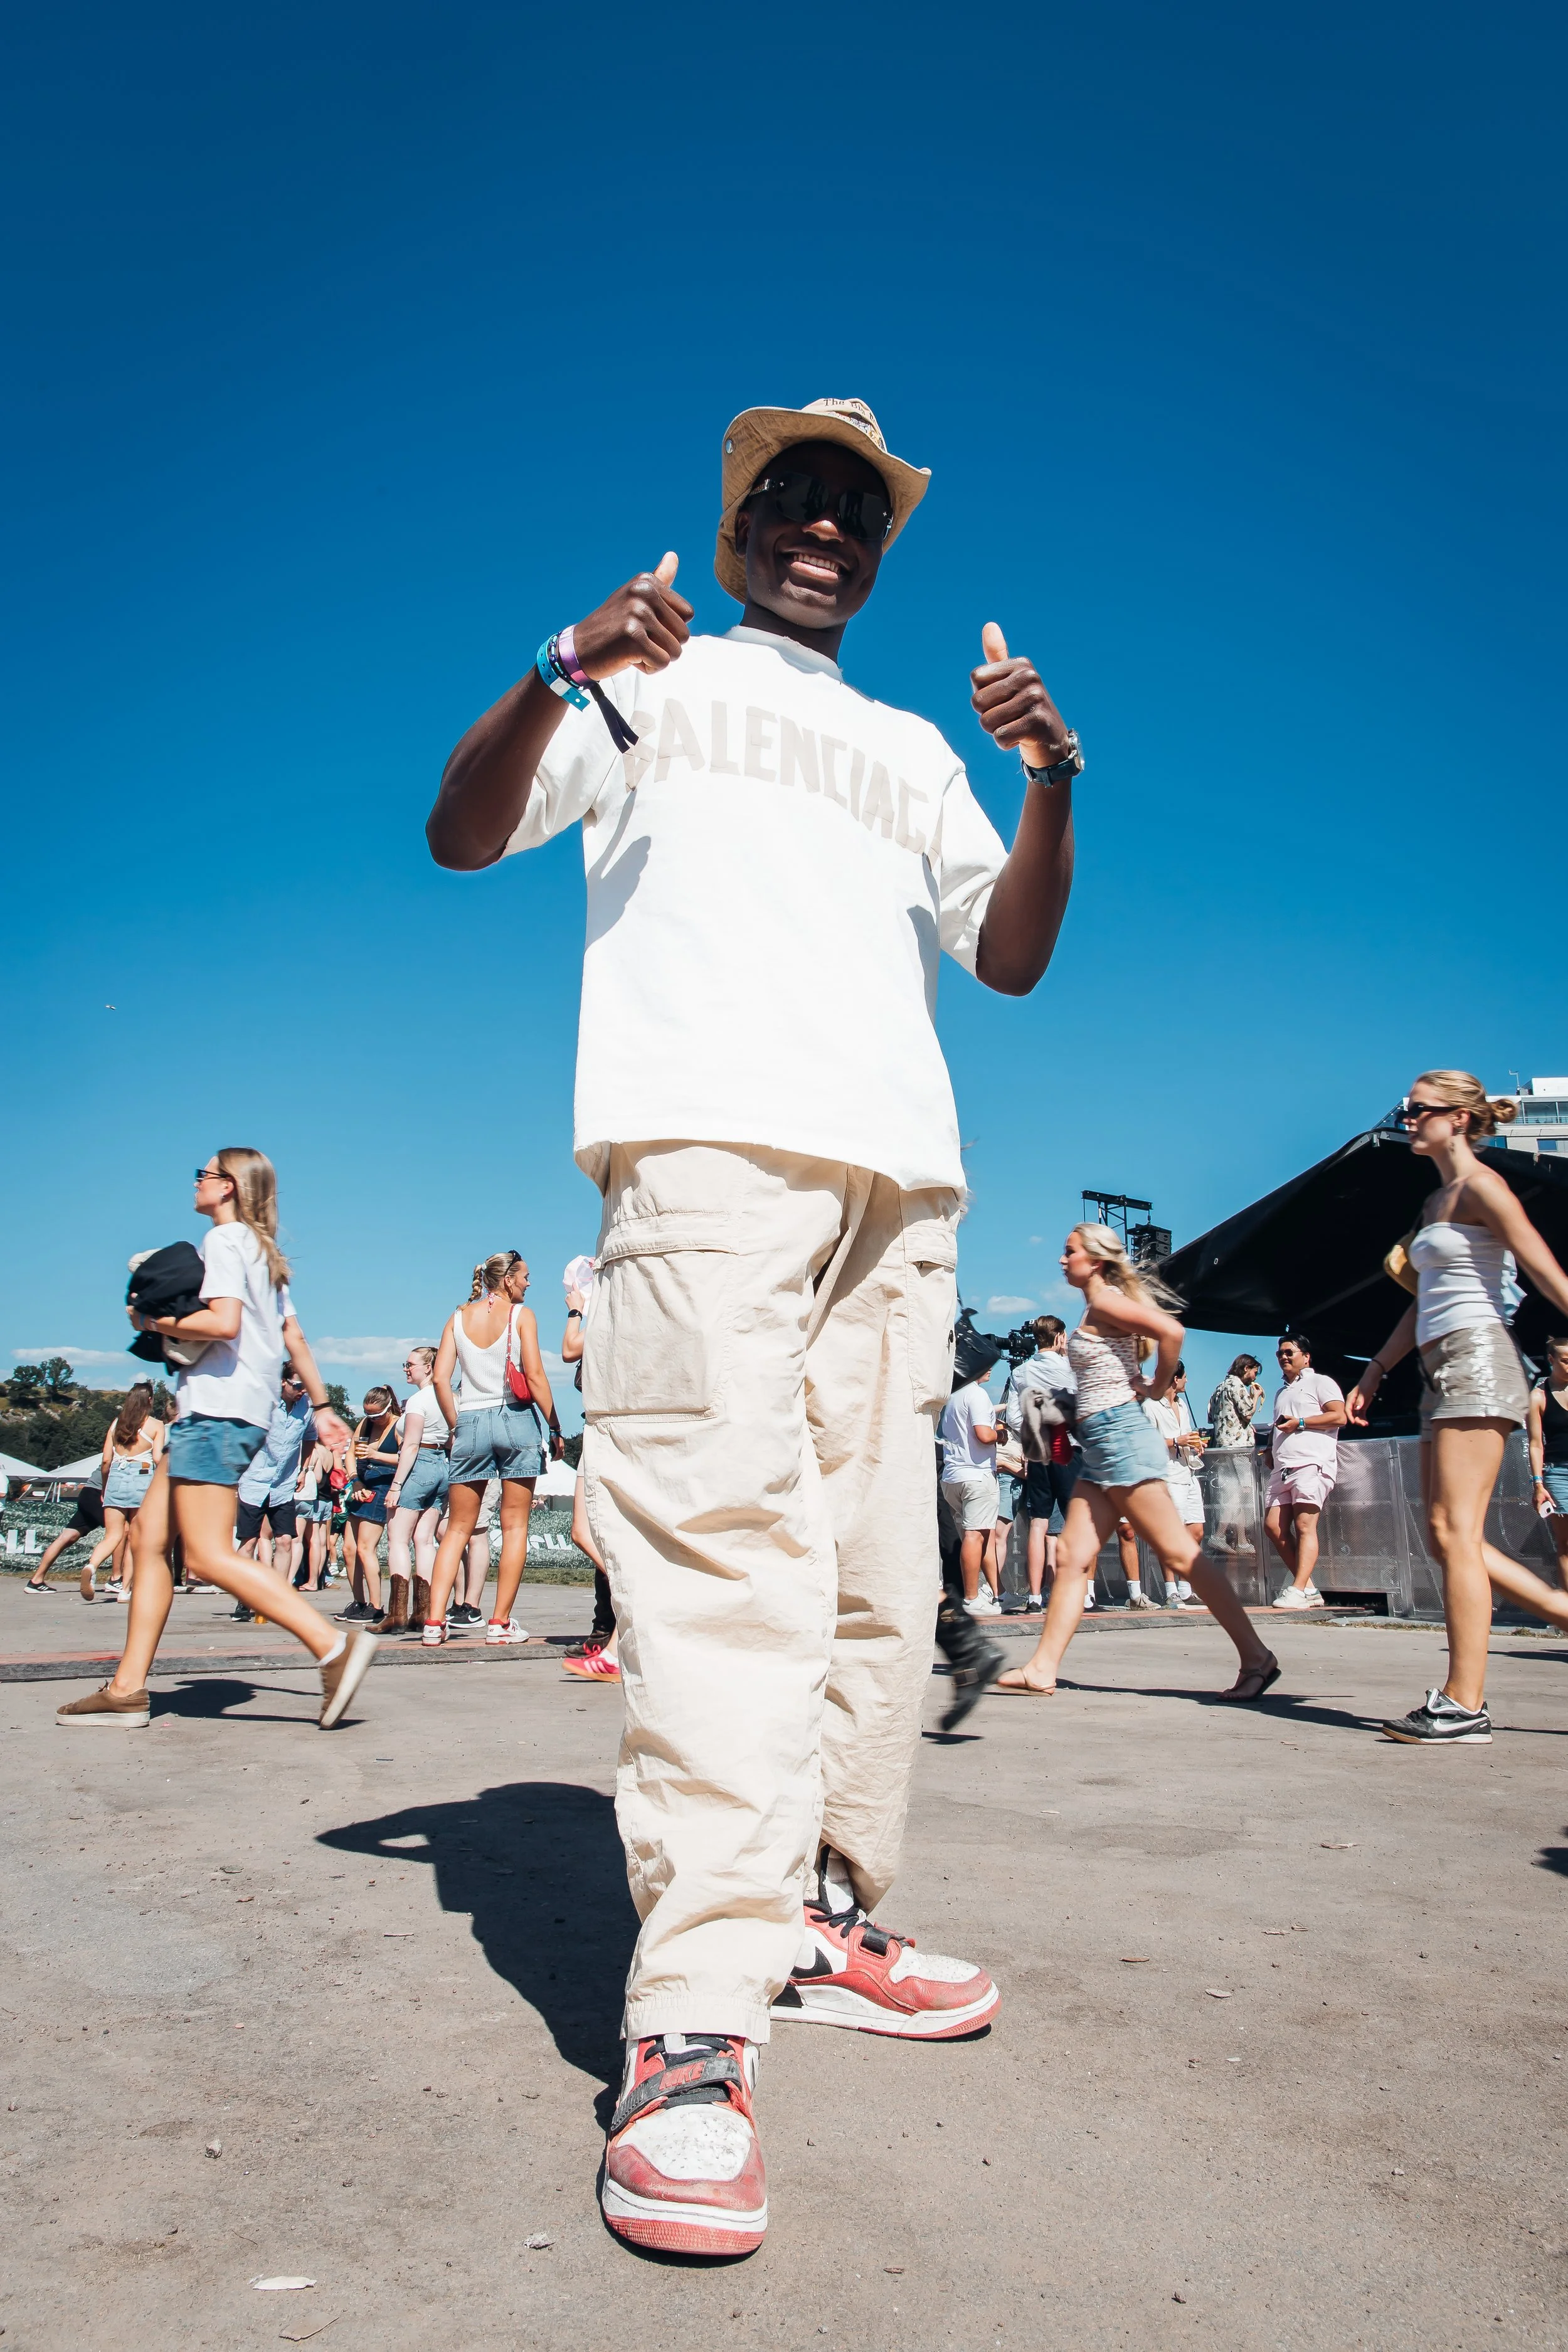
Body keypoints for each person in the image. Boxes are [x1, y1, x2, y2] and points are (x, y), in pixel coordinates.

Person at [428, 393, 1076, 2255]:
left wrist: (1046, 782)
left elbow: (1007, 952)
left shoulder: (902, 741)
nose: (818, 524)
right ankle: (690, 2020)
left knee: (876, 1581)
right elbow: (463, 831)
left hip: (903, 1188)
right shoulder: (653, 676)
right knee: (723, 1573)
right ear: (731, 527)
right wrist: (562, 665)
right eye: (787, 493)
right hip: (704, 1157)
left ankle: (812, 1911)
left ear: (877, 552)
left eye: (851, 508)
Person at [56, 1149, 374, 1730]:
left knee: (205, 1554)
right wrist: (323, 1407)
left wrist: (152, 1323)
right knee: (151, 1541)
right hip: (223, 1414)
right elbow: (293, 1336)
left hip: (217, 1413)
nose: (197, 1182)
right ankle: (127, 1689)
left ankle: (333, 1647)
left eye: (204, 1174)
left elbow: (223, 1323)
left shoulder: (226, 1243)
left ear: (229, 1187)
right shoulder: (265, 1255)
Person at [1347, 1073, 1568, 1744]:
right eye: (1406, 1110)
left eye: (1418, 1111)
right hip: (1436, 1368)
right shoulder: (1437, 1199)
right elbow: (1422, 1301)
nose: (1407, 1119)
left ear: (1458, 1118)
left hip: (1479, 1358)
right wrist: (1376, 1371)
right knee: (1449, 1537)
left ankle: (1463, 1702)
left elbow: (1547, 1273)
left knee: (1452, 1532)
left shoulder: (1482, 1188)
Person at [997, 1226, 1280, 1702]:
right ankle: (1042, 1669)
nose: (1062, 1260)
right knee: (1070, 1555)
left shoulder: (1105, 1301)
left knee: (1178, 1554)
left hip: (1123, 1441)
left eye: (1070, 1252)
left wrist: (1154, 1386)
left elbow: (1172, 1330)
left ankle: (1257, 1658)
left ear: (1096, 1260)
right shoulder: (1094, 1307)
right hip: (1101, 1447)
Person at [421, 1253, 559, 1646]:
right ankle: (499, 1624)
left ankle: (435, 1622)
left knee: (458, 1529)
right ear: (509, 1279)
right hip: (514, 1418)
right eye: (527, 1277)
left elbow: (440, 1379)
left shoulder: (457, 1316)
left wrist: (455, 1424)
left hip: (470, 1421)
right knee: (515, 1526)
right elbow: (533, 1373)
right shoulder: (522, 1315)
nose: (529, 1284)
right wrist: (554, 1425)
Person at [558, 1276, 620, 1683]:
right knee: (587, 1531)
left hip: (608, 1430)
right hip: (601, 1427)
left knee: (586, 1531)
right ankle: (616, 1640)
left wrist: (577, 1308)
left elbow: (569, 1351)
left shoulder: (612, 1313)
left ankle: (640, 1606)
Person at [1263, 1334, 1347, 1611]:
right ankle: (1308, 1588)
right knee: (1273, 1527)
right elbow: (1279, 1425)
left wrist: (1300, 1422)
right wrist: (1270, 1450)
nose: (1283, 1357)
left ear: (1306, 1357)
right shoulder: (1281, 1392)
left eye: (1289, 1352)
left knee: (1304, 1526)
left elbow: (1339, 1416)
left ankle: (1298, 1589)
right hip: (1283, 1468)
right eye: (1279, 1354)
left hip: (1312, 1463)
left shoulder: (1321, 1382)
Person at [1003, 1316, 1079, 1613]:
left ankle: (1034, 1597)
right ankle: (1070, 1593)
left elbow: (1012, 1417)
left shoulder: (1021, 1371)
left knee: (1038, 1523)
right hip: (1066, 1446)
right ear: (1060, 1337)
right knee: (1073, 1523)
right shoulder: (1070, 1370)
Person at [231, 1365, 315, 1618]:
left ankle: (276, 1597)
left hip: (284, 1484)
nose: (302, 1391)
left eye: (305, 1387)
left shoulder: (306, 1408)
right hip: (254, 1480)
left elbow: (310, 1435)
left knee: (286, 1540)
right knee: (249, 1542)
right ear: (283, 1383)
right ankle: (244, 1598)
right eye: (297, 1386)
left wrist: (303, 1468)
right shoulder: (263, 1405)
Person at [380, 1346, 451, 1632]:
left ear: (429, 1367)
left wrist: (396, 1486)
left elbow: (410, 1445)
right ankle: (423, 1612)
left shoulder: (419, 1400)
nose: (406, 1369)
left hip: (419, 1463)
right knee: (424, 1540)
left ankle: (397, 1613)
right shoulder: (450, 1397)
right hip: (441, 1466)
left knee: (398, 1539)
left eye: (411, 1365)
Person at [80, 1382, 164, 1601]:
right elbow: (157, 1459)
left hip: (116, 1476)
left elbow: (106, 1460)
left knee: (113, 1535)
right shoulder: (156, 1425)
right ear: (150, 1400)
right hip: (142, 1479)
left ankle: (91, 1566)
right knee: (136, 1537)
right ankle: (125, 1590)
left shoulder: (117, 1424)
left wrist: (106, 1487)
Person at [940, 1353, 1002, 1615]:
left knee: (975, 1535)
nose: (989, 1370)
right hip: (976, 1474)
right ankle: (972, 1597)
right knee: (976, 1536)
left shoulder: (951, 1396)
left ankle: (994, 1595)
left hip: (952, 1476)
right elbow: (984, 1435)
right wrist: (1001, 1433)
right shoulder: (976, 1395)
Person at [1141, 1362, 1202, 1608]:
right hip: (1167, 1476)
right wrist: (1176, 1441)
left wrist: (1195, 1445)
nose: (1187, 1382)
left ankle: (1186, 1587)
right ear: (1175, 1379)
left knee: (1195, 1531)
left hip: (1188, 1473)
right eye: (1185, 1378)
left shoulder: (1183, 1406)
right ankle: (1171, 1591)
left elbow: (1186, 1438)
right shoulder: (1150, 1406)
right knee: (1169, 1534)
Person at [341, 1388, 400, 1621]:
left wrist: (376, 1454)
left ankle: (376, 1606)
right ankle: (359, 1601)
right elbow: (350, 1453)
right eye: (368, 1414)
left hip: (383, 1486)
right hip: (362, 1484)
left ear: (388, 1409)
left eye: (376, 1415)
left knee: (366, 1548)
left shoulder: (399, 1425)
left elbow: (406, 1457)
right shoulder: (365, 1424)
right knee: (349, 1549)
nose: (372, 1419)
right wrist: (355, 1481)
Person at [1205, 1353, 1264, 1555]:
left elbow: (1211, 1415)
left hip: (1222, 1447)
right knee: (1243, 1492)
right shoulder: (1237, 1385)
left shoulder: (1219, 1388)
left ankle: (1241, 1540)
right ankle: (1220, 1535)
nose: (1255, 1378)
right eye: (1254, 1372)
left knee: (1233, 1494)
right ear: (1246, 1368)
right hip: (1238, 1448)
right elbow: (1247, 1412)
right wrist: (1255, 1396)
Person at [1527, 1335, 1568, 1590]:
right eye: (1565, 1361)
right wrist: (1538, 1483)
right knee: (1565, 1545)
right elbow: (1535, 1444)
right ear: (1551, 1360)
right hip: (1559, 1473)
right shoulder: (1538, 1397)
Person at [23, 1468, 105, 1594]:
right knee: (120, 1532)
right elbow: (107, 1464)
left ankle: (36, 1581)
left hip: (89, 1492)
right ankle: (116, 1579)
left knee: (68, 1536)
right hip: (100, 1494)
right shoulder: (124, 1450)